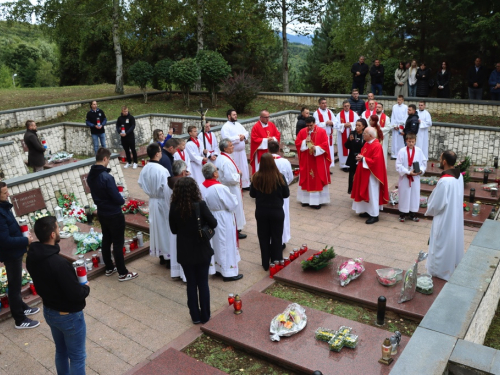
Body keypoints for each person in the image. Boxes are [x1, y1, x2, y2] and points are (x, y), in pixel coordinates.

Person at [26, 216, 89, 374]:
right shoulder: (59, 264)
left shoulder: (32, 257)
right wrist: (85, 288)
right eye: (57, 228)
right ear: (52, 235)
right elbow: (75, 294)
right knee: (77, 357)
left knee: (61, 352)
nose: (59, 230)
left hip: (50, 311)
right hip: (68, 316)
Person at [169, 177, 217, 324]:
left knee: (191, 283)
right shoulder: (200, 205)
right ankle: (205, 315)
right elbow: (213, 223)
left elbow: (173, 229)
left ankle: (195, 317)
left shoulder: (174, 206)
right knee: (203, 282)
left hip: (185, 250)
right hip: (201, 248)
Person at [87, 148, 138, 281]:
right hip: (114, 213)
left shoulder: (90, 176)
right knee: (117, 242)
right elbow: (116, 198)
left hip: (102, 212)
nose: (108, 162)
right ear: (105, 159)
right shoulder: (107, 177)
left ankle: (109, 267)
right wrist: (121, 200)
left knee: (106, 239)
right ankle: (123, 272)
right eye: (108, 159)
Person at [0, 181, 40, 329]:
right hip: (11, 254)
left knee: (15, 284)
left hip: (15, 251)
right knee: (15, 286)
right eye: (5, 193)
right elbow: (4, 240)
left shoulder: (3, 206)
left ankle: (22, 307)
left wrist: (23, 233)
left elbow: (10, 229)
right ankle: (20, 319)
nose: (8, 194)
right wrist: (25, 240)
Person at [425, 151, 464, 281]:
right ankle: (450, 265)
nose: (439, 161)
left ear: (445, 162)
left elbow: (437, 204)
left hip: (444, 218)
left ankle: (439, 271)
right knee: (451, 241)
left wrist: (429, 208)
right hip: (454, 215)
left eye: (440, 159)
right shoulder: (459, 176)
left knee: (440, 243)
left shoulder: (444, 181)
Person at [200, 163, 242, 282]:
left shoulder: (202, 186)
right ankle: (228, 272)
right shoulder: (220, 188)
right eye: (216, 170)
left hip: (210, 216)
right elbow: (232, 203)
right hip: (223, 217)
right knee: (226, 243)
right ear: (214, 174)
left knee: (216, 243)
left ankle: (218, 268)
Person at [250, 153, 290, 270]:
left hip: (261, 211)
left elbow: (252, 194)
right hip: (276, 211)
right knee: (277, 237)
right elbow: (286, 194)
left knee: (263, 237)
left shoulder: (256, 177)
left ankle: (265, 263)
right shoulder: (279, 176)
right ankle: (276, 261)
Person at [138, 144, 171, 268]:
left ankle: (162, 255)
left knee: (157, 228)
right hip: (162, 202)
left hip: (152, 201)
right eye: (160, 151)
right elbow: (167, 188)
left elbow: (140, 183)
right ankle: (168, 257)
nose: (161, 153)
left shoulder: (145, 168)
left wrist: (151, 193)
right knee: (165, 228)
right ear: (157, 154)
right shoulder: (162, 170)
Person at [351, 127, 389, 224]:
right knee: (367, 192)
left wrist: (363, 158)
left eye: (365, 134)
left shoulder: (377, 146)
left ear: (370, 136)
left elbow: (376, 161)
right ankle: (368, 211)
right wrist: (360, 157)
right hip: (364, 172)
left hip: (372, 175)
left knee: (372, 194)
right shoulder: (367, 143)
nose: (363, 135)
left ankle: (374, 215)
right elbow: (364, 155)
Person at [295, 116, 331, 209]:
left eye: (311, 125)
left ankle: (317, 201)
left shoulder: (322, 132)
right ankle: (305, 200)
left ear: (314, 123)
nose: (309, 127)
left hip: (317, 160)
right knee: (306, 178)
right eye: (307, 126)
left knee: (317, 178)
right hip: (306, 160)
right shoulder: (303, 131)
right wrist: (304, 142)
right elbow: (297, 143)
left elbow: (325, 144)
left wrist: (316, 148)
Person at [215, 139, 247, 239]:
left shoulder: (222, 157)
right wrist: (239, 175)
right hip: (231, 188)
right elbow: (229, 178)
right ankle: (236, 229)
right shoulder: (226, 161)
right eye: (230, 145)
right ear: (225, 148)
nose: (233, 146)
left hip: (227, 187)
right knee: (235, 207)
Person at [396, 133, 427, 222]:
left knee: (414, 195)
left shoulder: (419, 151)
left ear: (415, 141)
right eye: (409, 141)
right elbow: (398, 165)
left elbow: (423, 163)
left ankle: (412, 214)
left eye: (413, 142)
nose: (411, 143)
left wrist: (420, 171)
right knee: (404, 195)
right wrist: (408, 172)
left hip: (415, 178)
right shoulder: (402, 151)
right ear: (406, 141)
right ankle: (402, 214)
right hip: (405, 177)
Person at [268, 141, 293, 248]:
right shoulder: (285, 162)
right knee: (283, 216)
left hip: (268, 193)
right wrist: (284, 185)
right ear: (279, 149)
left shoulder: (264, 161)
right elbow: (290, 177)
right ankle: (282, 240)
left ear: (268, 149)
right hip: (282, 193)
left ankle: (270, 239)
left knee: (270, 217)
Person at [167, 160, 189, 281]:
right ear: (181, 172)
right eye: (185, 171)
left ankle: (177, 272)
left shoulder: (168, 183)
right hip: (184, 221)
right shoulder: (181, 186)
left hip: (173, 220)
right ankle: (185, 274)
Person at [221, 109, 250, 189]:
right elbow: (226, 138)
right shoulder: (225, 127)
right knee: (236, 167)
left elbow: (246, 132)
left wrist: (243, 136)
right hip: (233, 153)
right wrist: (238, 138)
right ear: (229, 116)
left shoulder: (238, 124)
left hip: (242, 152)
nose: (236, 116)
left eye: (236, 114)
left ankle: (245, 184)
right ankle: (238, 184)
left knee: (244, 167)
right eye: (234, 115)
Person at [250, 110, 281, 175]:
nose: (267, 119)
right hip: (261, 152)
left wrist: (273, 138)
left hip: (271, 151)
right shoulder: (256, 127)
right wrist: (266, 140)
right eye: (265, 117)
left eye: (268, 117)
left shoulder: (271, 124)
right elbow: (254, 139)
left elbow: (277, 134)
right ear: (260, 117)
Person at [335, 100, 359, 171]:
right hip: (343, 134)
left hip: (352, 133)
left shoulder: (354, 114)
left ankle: (352, 164)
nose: (346, 107)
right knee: (343, 149)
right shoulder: (339, 115)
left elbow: (358, 122)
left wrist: (351, 124)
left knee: (352, 148)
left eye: (348, 106)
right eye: (345, 106)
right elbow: (336, 125)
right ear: (343, 106)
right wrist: (344, 125)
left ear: (350, 106)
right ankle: (344, 165)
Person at [345, 119, 367, 194]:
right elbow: (346, 146)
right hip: (352, 157)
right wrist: (349, 141)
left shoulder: (365, 135)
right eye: (356, 125)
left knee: (360, 175)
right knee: (351, 175)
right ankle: (351, 190)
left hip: (361, 157)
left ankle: (360, 191)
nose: (357, 127)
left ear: (363, 126)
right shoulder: (352, 133)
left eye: (359, 125)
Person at [313, 98, 336, 169]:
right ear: (319, 104)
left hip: (329, 136)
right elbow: (315, 124)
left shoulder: (329, 112)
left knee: (330, 152)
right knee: (323, 151)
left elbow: (336, 121)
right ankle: (323, 166)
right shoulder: (316, 113)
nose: (324, 104)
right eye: (323, 103)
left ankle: (328, 167)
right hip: (321, 137)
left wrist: (332, 123)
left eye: (325, 103)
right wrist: (325, 123)